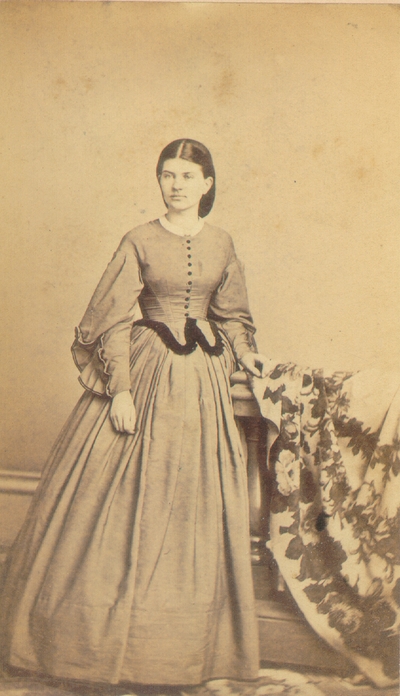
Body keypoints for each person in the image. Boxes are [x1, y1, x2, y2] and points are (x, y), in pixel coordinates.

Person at [0, 139, 268, 689]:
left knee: (194, 503)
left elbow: (232, 314)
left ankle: (177, 652)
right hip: (144, 378)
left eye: (188, 176)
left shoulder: (222, 243)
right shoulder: (138, 240)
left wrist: (246, 354)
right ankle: (94, 648)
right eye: (167, 174)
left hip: (203, 387)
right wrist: (119, 390)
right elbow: (110, 317)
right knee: (121, 506)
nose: (176, 184)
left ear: (207, 184)